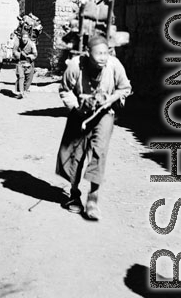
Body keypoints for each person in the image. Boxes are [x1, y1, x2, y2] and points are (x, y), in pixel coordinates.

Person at [56, 34, 131, 221]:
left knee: (100, 151)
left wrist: (110, 100)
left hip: (103, 114)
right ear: (88, 53)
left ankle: (93, 198)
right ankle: (73, 194)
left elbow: (125, 88)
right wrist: (78, 106)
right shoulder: (75, 66)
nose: (103, 57)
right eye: (99, 53)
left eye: (106, 53)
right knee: (75, 153)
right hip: (80, 115)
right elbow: (64, 89)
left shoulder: (114, 65)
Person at [13, 31, 37, 99]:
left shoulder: (32, 44)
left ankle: (25, 90)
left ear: (28, 38)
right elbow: (14, 52)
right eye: (23, 37)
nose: (24, 39)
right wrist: (20, 55)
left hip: (29, 62)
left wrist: (28, 56)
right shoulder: (17, 43)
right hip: (20, 62)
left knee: (28, 78)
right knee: (21, 77)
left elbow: (35, 54)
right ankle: (21, 92)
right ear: (21, 37)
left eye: (26, 37)